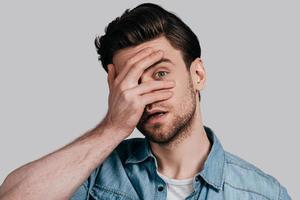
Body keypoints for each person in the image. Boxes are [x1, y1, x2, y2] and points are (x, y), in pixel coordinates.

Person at [0, 3, 291, 200]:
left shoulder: (262, 193)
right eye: (133, 81)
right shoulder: (93, 175)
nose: (146, 95)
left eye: (160, 73)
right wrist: (112, 127)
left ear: (198, 74)